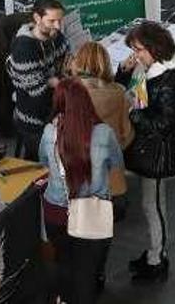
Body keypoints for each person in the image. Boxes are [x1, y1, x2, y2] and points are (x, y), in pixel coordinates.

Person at [115, 22, 175, 282]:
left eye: (138, 50)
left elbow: (163, 124)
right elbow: (131, 91)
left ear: (154, 49)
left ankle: (158, 258)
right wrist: (123, 73)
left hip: (159, 155)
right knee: (151, 205)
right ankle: (154, 254)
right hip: (147, 149)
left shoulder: (170, 82)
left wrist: (133, 114)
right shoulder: (146, 68)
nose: (135, 55)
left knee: (154, 206)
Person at [38, 78, 122, 303]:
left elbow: (43, 161)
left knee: (63, 265)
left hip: (56, 211)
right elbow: (117, 162)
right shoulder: (104, 133)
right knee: (87, 272)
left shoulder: (49, 133)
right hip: (93, 212)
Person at [68, 41, 133, 219]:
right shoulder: (119, 95)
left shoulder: (69, 97)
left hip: (79, 187)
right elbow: (126, 137)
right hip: (113, 188)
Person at [7, 0, 69, 160]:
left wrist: (53, 81)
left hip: (55, 111)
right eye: (52, 21)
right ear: (37, 18)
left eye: (60, 21)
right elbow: (38, 96)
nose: (58, 26)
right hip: (35, 120)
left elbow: (68, 63)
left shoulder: (55, 36)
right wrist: (56, 82)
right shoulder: (24, 49)